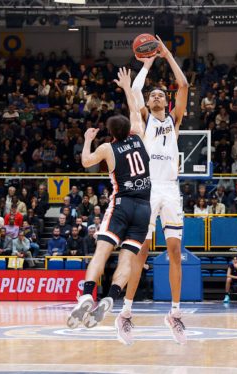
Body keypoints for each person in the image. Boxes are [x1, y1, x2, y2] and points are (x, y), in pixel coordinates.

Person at [67, 67, 152, 347]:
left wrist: (89, 139)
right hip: (144, 207)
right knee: (127, 259)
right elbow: (134, 110)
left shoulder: (107, 148)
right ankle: (112, 297)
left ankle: (86, 295)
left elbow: (85, 162)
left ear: (111, 134)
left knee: (102, 252)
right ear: (128, 129)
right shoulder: (139, 136)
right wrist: (127, 88)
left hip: (122, 204)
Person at [122, 36, 189, 345]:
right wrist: (147, 64)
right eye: (155, 95)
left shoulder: (174, 121)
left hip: (171, 190)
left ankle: (174, 314)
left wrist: (168, 55)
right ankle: (126, 313)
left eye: (163, 94)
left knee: (175, 252)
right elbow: (135, 90)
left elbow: (184, 85)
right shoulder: (146, 119)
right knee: (142, 250)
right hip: (149, 189)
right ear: (149, 104)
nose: (159, 96)